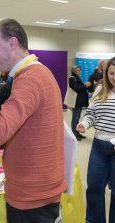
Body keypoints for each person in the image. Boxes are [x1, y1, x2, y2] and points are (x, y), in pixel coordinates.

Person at [0, 19, 66, 223]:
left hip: (32, 199)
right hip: (39, 193)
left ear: (12, 43)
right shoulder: (36, 74)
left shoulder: (31, 79)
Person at [76, 57, 115, 223]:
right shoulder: (100, 89)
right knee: (94, 188)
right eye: (112, 73)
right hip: (99, 147)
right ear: (107, 73)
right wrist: (84, 124)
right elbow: (92, 114)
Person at [68, 65, 91, 141]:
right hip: (76, 101)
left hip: (79, 101)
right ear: (74, 71)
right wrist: (85, 85)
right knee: (75, 118)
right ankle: (74, 134)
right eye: (78, 70)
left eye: (80, 70)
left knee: (77, 118)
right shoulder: (72, 78)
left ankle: (77, 133)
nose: (79, 71)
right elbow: (76, 89)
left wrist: (85, 86)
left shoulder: (77, 77)